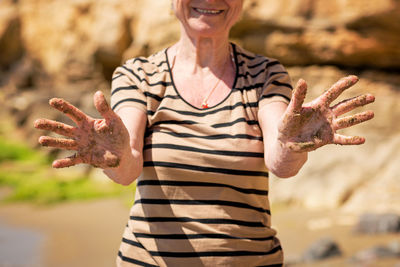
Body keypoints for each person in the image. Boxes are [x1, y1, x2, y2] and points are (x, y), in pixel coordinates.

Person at [34, 0, 375, 266]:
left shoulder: (266, 75)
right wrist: (115, 155)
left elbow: (281, 162)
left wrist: (291, 143)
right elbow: (127, 167)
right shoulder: (139, 75)